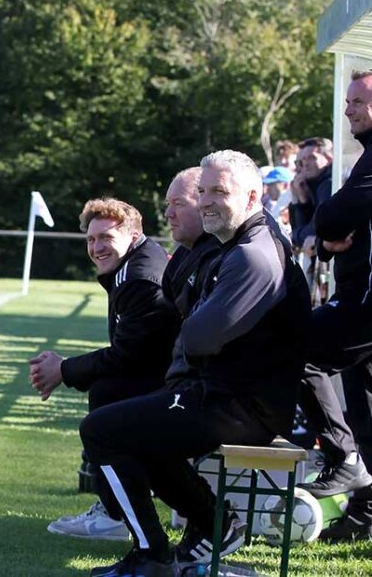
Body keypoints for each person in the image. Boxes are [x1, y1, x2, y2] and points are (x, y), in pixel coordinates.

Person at [79, 150, 310, 576]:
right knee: (127, 424)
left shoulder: (251, 254)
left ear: (253, 196)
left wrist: (194, 323)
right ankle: (213, 522)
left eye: (219, 192)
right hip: (223, 395)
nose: (206, 201)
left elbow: (200, 336)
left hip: (239, 405)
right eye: (202, 191)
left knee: (102, 431)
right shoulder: (234, 246)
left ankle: (153, 555)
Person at [29, 198, 178, 542]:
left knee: (106, 405)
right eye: (91, 240)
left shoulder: (139, 278)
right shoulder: (140, 259)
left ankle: (117, 516)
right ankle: (113, 507)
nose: (96, 248)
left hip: (181, 388)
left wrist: (64, 370)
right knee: (107, 390)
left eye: (106, 238)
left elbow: (129, 356)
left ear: (133, 234)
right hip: (172, 375)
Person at [295, 70, 372, 542]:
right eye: (347, 102)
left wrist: (325, 230)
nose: (348, 110)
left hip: (364, 303)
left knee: (294, 346)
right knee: (365, 410)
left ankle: (342, 458)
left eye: (358, 101)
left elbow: (334, 214)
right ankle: (365, 514)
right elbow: (330, 228)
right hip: (359, 298)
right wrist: (326, 240)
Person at [161, 167, 221, 320]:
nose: (168, 213)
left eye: (178, 203)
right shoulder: (183, 254)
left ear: (204, 205)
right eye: (168, 203)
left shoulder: (221, 257)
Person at [289, 137, 333, 255]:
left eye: (312, 158)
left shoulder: (328, 184)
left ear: (328, 159)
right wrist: (302, 200)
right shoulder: (312, 184)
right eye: (303, 160)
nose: (305, 165)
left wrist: (293, 237)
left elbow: (317, 227)